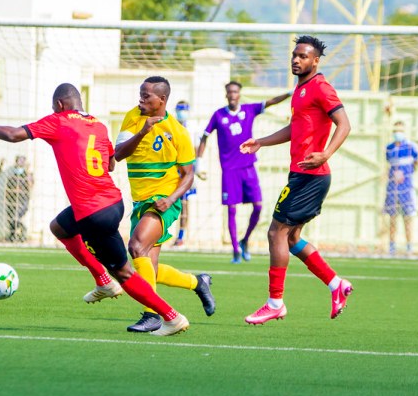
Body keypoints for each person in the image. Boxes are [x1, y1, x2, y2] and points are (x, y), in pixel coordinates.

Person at [0, 83, 189, 336]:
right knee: (60, 227)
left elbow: (14, 135)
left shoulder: (58, 121)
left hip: (94, 213)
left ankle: (172, 317)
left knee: (124, 273)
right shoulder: (98, 125)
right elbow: (110, 164)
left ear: (59, 105)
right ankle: (102, 281)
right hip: (112, 202)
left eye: (53, 107)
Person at [239, 35, 353, 324]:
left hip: (310, 176)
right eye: (294, 55)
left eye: (303, 56)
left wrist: (325, 153)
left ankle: (275, 302)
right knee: (291, 238)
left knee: (276, 233)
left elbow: (344, 124)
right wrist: (261, 141)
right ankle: (336, 284)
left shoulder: (321, 87)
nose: (296, 60)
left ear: (315, 60)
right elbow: (295, 128)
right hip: (302, 174)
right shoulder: (300, 89)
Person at [114, 76, 215, 333]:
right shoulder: (132, 117)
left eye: (146, 95)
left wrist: (170, 199)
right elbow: (119, 154)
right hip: (140, 201)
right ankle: (198, 282)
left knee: (136, 246)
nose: (141, 99)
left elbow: (188, 175)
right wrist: (142, 132)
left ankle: (152, 315)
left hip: (163, 201)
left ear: (162, 99)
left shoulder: (178, 131)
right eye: (140, 94)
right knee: (150, 269)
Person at [198, 80, 292, 263]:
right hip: (229, 170)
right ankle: (235, 250)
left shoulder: (249, 110)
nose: (232, 94)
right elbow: (204, 136)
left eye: (235, 91)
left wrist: (290, 93)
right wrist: (199, 162)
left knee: (258, 206)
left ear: (239, 94)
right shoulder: (218, 115)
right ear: (226, 94)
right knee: (231, 209)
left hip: (248, 167)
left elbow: (271, 101)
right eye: (229, 92)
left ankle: (245, 240)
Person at [383, 121, 418, 256]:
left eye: (400, 130)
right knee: (392, 218)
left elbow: (416, 163)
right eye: (396, 130)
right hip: (393, 188)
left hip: (406, 188)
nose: (398, 133)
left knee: (407, 217)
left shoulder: (411, 147)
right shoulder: (389, 148)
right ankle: (392, 246)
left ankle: (409, 246)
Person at [172, 100, 196, 247]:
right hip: (172, 171)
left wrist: (197, 169)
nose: (182, 112)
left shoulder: (192, 130)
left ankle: (181, 236)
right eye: (180, 109)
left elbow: (196, 150)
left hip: (186, 172)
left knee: (184, 204)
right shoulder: (171, 127)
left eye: (184, 109)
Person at [5, 155, 33, 242]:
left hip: (23, 201)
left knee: (15, 218)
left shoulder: (27, 175)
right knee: (11, 218)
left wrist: (27, 172)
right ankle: (13, 235)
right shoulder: (12, 176)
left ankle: (23, 232)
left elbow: (30, 186)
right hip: (12, 201)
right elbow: (8, 190)